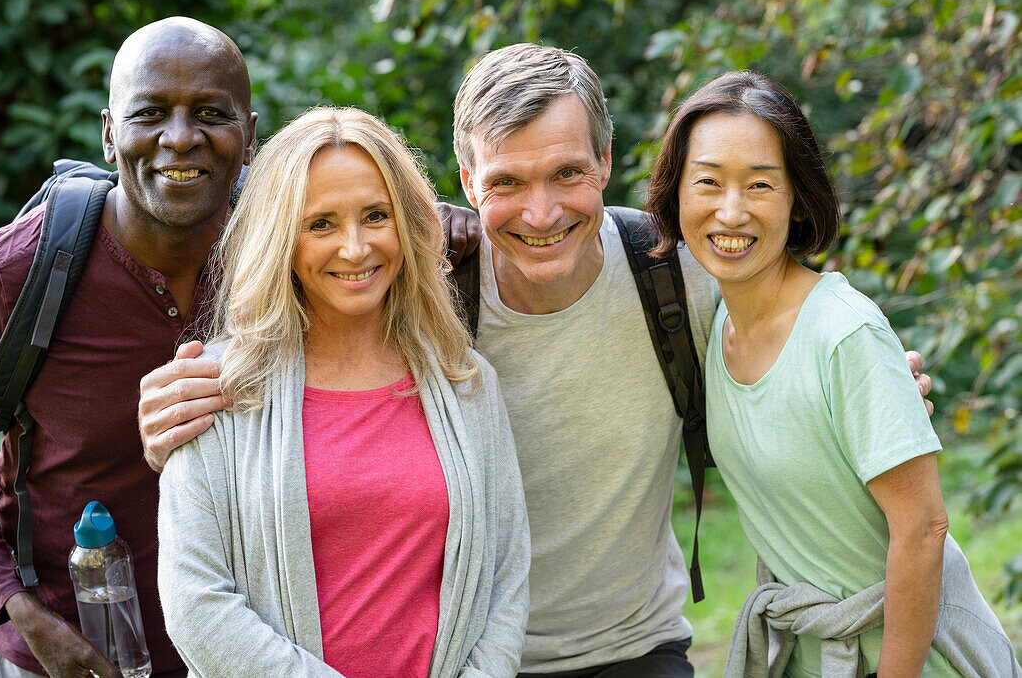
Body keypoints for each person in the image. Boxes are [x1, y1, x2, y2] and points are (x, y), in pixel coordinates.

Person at [139, 44, 934, 677]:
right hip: (468, 654)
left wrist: (878, 390)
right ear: (466, 183)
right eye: (509, 182)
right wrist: (179, 420)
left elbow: (792, 329)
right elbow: (294, 370)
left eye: (567, 173)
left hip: (633, 650)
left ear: (608, 161)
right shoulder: (426, 302)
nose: (543, 212)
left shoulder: (676, 275)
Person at [646, 71, 1020, 677]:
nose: (731, 211)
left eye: (760, 184)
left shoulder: (844, 333)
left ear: (797, 198)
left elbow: (924, 532)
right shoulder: (716, 324)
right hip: (812, 657)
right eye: (708, 182)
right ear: (676, 194)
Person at [0, 16, 257, 677]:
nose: (181, 138)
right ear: (109, 133)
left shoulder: (283, 260)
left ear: (249, 137)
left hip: (244, 652)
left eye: (211, 113)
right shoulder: (12, 274)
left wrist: (443, 226)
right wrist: (20, 612)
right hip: (60, 658)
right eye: (151, 113)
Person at [155, 106, 530, 677]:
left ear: (406, 224)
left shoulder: (465, 381)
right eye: (321, 224)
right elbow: (196, 604)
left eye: (375, 216)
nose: (355, 248)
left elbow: (506, 576)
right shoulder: (215, 388)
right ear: (282, 237)